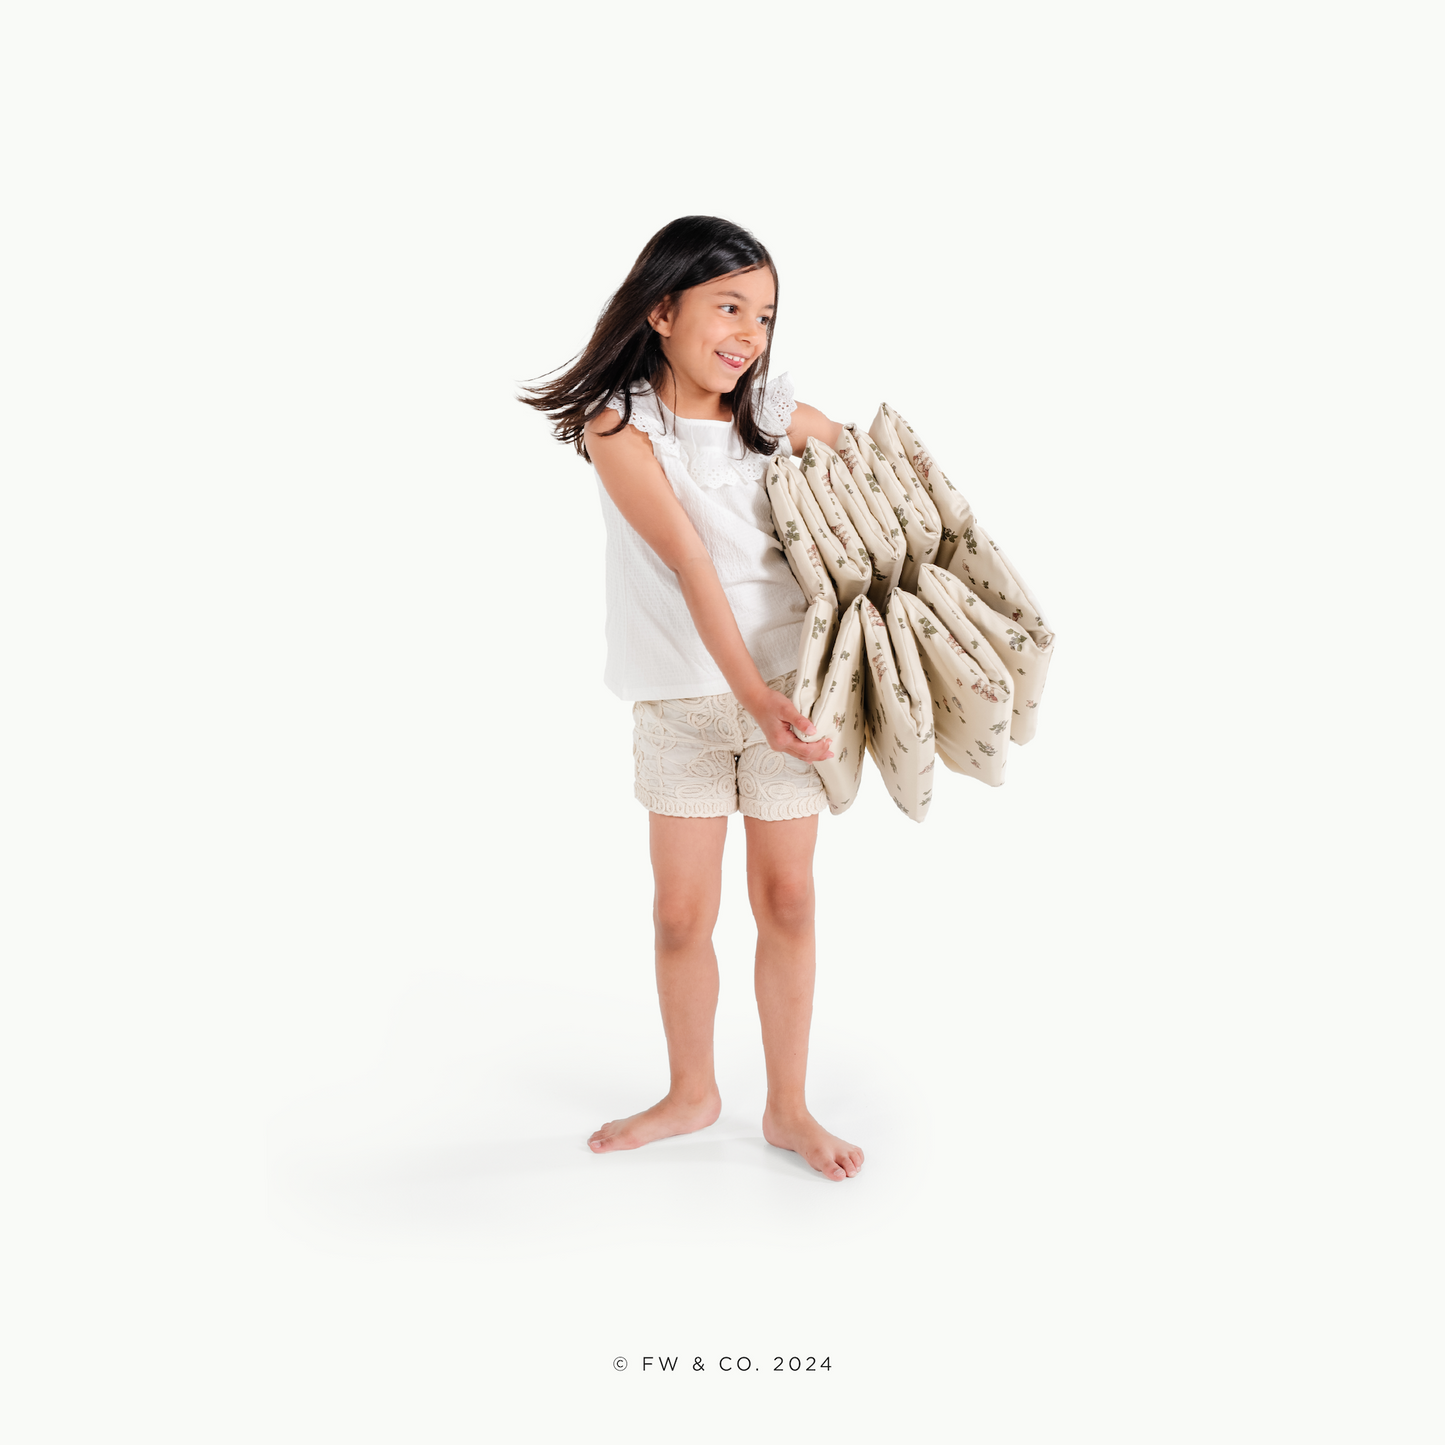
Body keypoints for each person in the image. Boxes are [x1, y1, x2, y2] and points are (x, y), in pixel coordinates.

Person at [521, 216, 862, 1181]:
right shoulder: (622, 426)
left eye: (763, 313)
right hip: (686, 701)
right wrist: (750, 698)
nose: (749, 331)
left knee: (787, 897)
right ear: (662, 309)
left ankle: (788, 1108)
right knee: (681, 912)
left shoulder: (774, 416)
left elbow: (882, 473)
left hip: (789, 696)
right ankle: (691, 1090)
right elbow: (691, 564)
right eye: (727, 306)